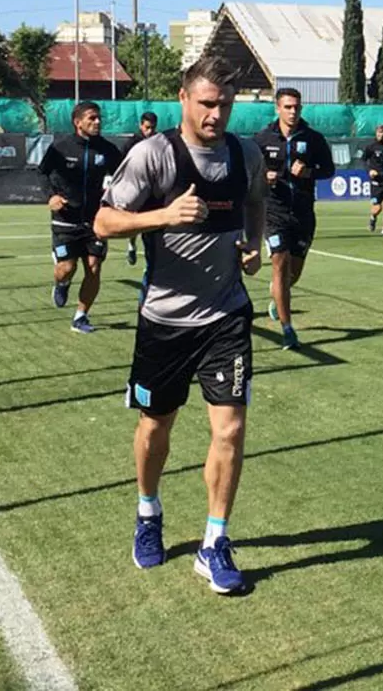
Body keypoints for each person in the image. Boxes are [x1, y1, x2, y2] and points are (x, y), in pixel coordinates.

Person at [94, 55, 266, 595]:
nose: (217, 114)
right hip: (164, 321)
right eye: (208, 103)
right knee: (155, 428)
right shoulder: (153, 155)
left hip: (227, 316)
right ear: (184, 98)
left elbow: (257, 199)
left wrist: (255, 243)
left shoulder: (246, 153)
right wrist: (162, 216)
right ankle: (148, 511)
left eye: (226, 105)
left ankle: (214, 542)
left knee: (231, 429)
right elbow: (103, 221)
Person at [253, 88, 334, 349]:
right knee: (280, 263)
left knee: (293, 273)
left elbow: (329, 170)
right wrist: (264, 176)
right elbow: (250, 170)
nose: (293, 111)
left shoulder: (313, 138)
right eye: (287, 107)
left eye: (297, 107)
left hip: (303, 213)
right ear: (277, 108)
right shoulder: (262, 138)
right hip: (274, 212)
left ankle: (278, 297)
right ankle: (288, 329)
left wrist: (309, 171)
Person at [38, 101, 123, 334]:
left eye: (98, 118)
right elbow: (42, 173)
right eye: (91, 118)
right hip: (65, 219)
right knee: (66, 268)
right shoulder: (60, 147)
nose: (97, 122)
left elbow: (125, 176)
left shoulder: (107, 150)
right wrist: (51, 196)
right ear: (78, 122)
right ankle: (61, 283)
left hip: (95, 221)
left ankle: (81, 316)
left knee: (94, 267)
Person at [124, 112, 160, 265]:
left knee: (152, 224)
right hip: (136, 186)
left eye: (152, 128)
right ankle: (131, 244)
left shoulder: (159, 141)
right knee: (135, 220)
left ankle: (151, 260)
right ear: (141, 125)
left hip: (153, 188)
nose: (149, 131)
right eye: (147, 127)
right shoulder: (133, 142)